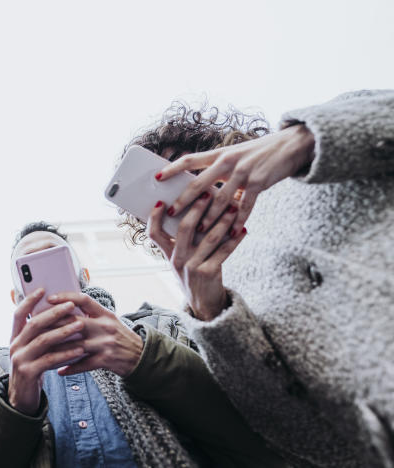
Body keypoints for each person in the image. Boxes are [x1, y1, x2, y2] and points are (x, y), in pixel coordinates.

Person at [119, 95, 394, 466]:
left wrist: (306, 140)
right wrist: (212, 313)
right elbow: (297, 440)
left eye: (182, 169)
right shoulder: (220, 296)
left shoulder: (313, 157)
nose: (183, 194)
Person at [0, 222, 284, 467]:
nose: (42, 271)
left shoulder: (158, 326)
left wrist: (142, 357)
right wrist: (16, 402)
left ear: (83, 274)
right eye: (28, 268)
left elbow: (242, 424)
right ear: (15, 294)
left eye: (52, 255)